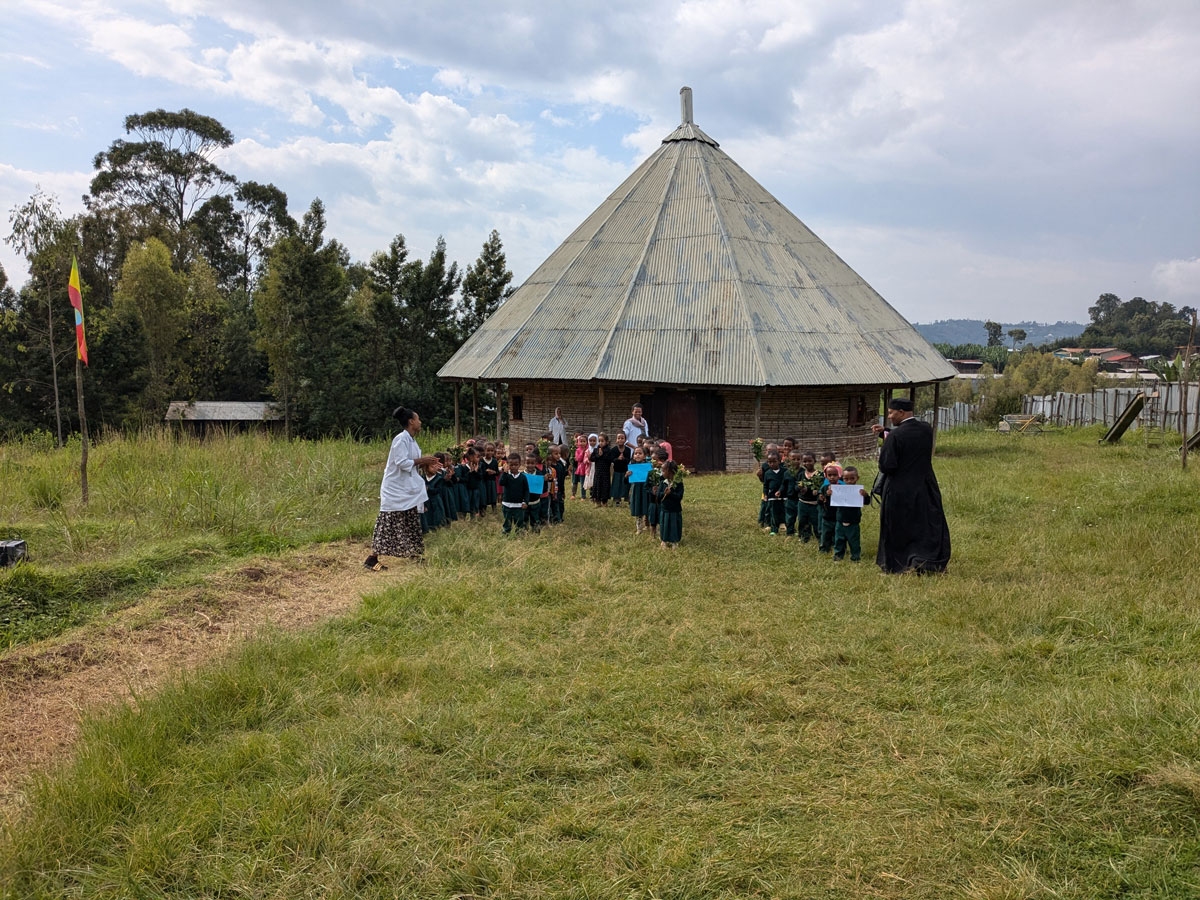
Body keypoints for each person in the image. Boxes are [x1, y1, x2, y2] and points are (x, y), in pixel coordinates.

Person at [872, 397, 951, 573]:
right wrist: (886, 431)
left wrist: (888, 438)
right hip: (924, 486)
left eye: (891, 413)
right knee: (923, 525)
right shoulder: (926, 429)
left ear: (901, 412)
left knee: (899, 526)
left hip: (899, 489)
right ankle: (925, 561)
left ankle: (899, 563)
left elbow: (887, 465)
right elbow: (910, 437)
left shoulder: (895, 436)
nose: (890, 416)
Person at [364, 407, 442, 570]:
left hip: (406, 489)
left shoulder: (411, 440)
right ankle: (372, 559)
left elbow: (412, 464)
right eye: (418, 419)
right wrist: (422, 460)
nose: (420, 422)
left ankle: (415, 553)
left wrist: (427, 466)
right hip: (395, 490)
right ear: (411, 421)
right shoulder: (401, 439)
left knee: (410, 519)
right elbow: (401, 462)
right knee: (388, 522)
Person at [832, 466, 871, 562]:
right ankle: (838, 556)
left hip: (853, 521)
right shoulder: (839, 490)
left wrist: (865, 495)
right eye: (846, 479)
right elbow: (831, 501)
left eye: (852, 479)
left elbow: (866, 502)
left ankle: (855, 557)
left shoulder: (859, 491)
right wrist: (829, 494)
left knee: (854, 541)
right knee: (839, 540)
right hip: (840, 520)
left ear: (857, 478)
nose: (849, 481)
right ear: (842, 478)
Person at [499, 453, 529, 534]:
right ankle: (506, 533)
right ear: (508, 465)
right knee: (507, 521)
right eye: (511, 465)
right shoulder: (506, 476)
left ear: (519, 465)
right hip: (507, 504)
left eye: (516, 465)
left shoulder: (523, 477)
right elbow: (501, 483)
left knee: (519, 521)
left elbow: (526, 490)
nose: (514, 467)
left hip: (519, 505)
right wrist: (504, 473)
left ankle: (519, 534)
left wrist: (525, 501)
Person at [658, 460, 684, 550]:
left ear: (670, 472)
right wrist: (663, 493)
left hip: (675, 509)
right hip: (665, 509)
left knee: (674, 525)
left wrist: (671, 493)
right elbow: (659, 494)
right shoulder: (663, 482)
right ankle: (664, 540)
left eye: (664, 471)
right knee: (664, 525)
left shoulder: (678, 483)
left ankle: (674, 541)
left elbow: (679, 496)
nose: (662, 473)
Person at [590, 432, 614, 506]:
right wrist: (598, 455)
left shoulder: (608, 450)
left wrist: (603, 455)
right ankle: (597, 500)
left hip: (605, 472)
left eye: (602, 441)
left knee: (605, 486)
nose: (600, 443)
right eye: (599, 441)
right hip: (598, 471)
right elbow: (591, 458)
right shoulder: (596, 450)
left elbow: (610, 459)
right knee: (597, 485)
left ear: (606, 442)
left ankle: (604, 501)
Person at [610, 431, 632, 506]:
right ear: (616, 440)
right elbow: (612, 459)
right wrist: (618, 459)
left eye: (622, 438)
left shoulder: (628, 450)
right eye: (618, 438)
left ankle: (626, 497)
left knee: (625, 485)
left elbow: (628, 460)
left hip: (625, 471)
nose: (620, 440)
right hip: (616, 471)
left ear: (625, 440)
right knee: (616, 485)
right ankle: (617, 499)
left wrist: (623, 459)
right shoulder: (614, 450)